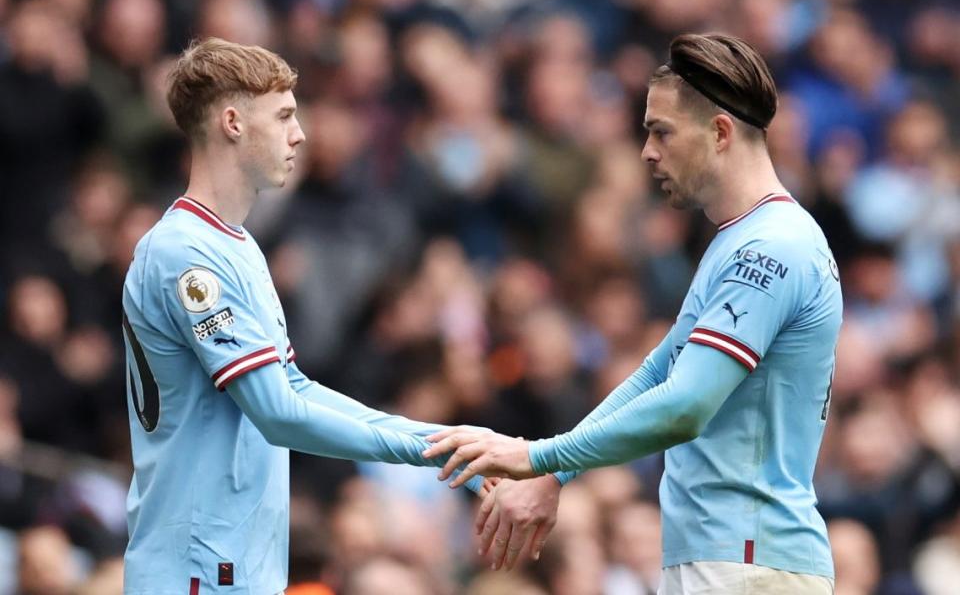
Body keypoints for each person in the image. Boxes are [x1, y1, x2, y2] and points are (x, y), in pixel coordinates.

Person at [424, 33, 842, 594]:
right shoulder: (738, 240)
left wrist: (536, 455)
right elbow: (658, 373)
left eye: (661, 131)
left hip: (748, 564)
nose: (647, 151)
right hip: (725, 558)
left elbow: (685, 407)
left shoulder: (771, 248)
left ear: (719, 132)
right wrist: (553, 471)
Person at [121, 37, 492, 594]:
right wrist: (424, 450)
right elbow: (278, 413)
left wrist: (444, 439)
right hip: (195, 568)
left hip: (236, 563)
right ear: (232, 123)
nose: (300, 134)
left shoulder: (240, 246)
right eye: (285, 116)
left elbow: (295, 388)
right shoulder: (184, 253)